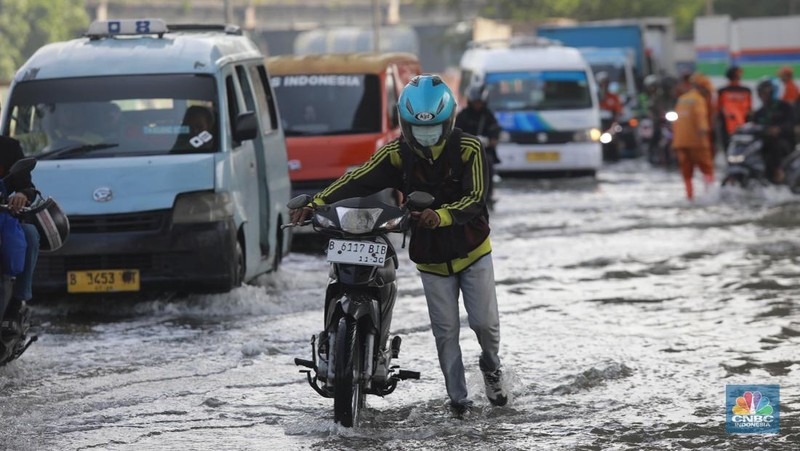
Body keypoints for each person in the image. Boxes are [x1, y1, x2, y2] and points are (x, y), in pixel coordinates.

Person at [290, 74, 507, 417]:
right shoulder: (397, 153)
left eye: (433, 127)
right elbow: (357, 178)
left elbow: (476, 198)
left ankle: (491, 367)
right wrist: (317, 202)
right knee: (445, 333)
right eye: (418, 128)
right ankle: (459, 401)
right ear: (406, 125)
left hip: (473, 252)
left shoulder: (469, 148)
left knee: (484, 325)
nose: (425, 134)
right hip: (432, 259)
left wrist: (441, 216)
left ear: (447, 122)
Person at [0, 135, 39, 337]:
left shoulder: (9, 147)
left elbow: (28, 187)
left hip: (4, 220)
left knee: (30, 235)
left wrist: (22, 195)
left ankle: (15, 305)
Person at [455, 83, 501, 205]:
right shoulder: (462, 116)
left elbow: (495, 133)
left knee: (488, 164)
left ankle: (488, 194)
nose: (477, 105)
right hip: (464, 152)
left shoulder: (488, 115)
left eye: (479, 103)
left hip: (484, 151)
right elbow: (455, 133)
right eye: (475, 102)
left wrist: (489, 141)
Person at [672, 72, 715, 200]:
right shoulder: (699, 100)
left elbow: (676, 122)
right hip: (697, 142)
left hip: (680, 142)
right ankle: (711, 195)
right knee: (707, 169)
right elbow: (701, 119)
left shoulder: (682, 98)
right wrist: (705, 136)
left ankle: (689, 196)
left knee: (687, 174)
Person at [753, 79, 796, 183]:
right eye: (760, 93)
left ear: (772, 92)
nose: (761, 96)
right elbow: (753, 127)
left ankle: (778, 170)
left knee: (774, 142)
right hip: (763, 143)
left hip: (784, 142)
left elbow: (791, 123)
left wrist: (779, 129)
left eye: (764, 93)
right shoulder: (759, 112)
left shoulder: (785, 106)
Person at [717, 66, 753, 151]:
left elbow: (718, 110)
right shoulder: (746, 91)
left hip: (730, 127)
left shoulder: (722, 91)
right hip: (741, 127)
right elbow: (750, 110)